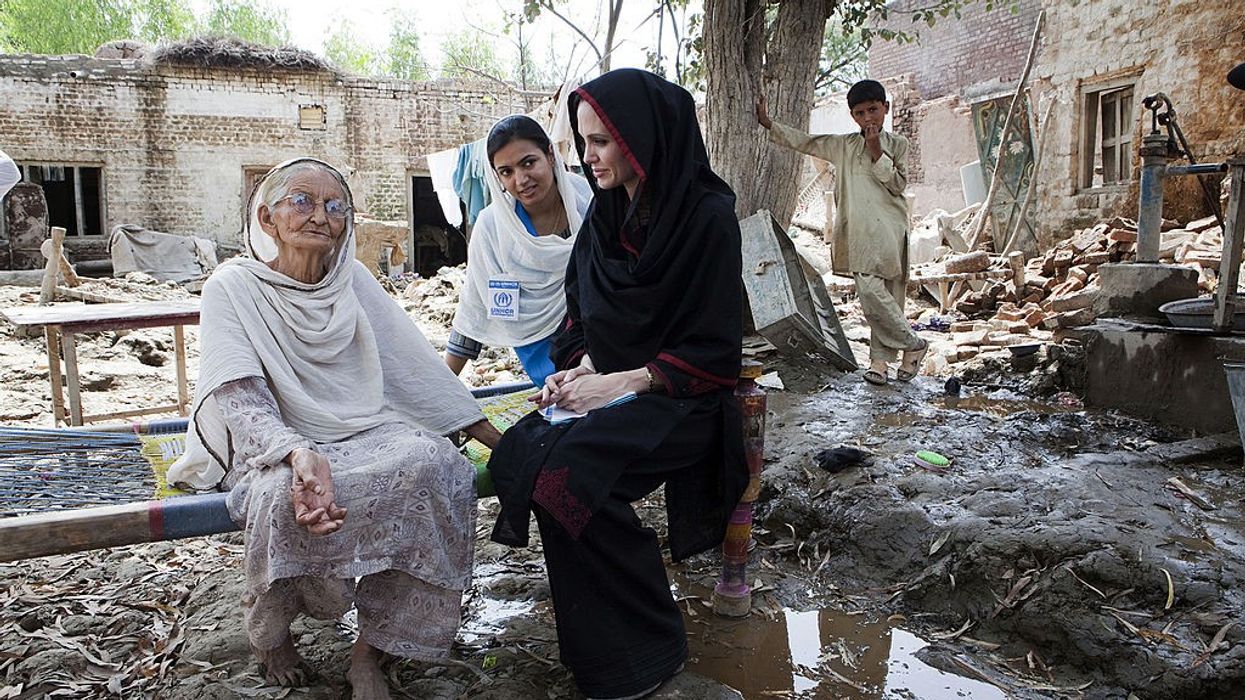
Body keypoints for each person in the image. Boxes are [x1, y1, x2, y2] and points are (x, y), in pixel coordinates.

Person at [167, 158, 502, 700]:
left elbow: (412, 365)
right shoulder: (232, 287)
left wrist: (492, 439)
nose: (318, 215)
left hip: (364, 429)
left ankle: (370, 651)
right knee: (278, 496)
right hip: (272, 439)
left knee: (435, 464)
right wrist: (295, 452)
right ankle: (273, 640)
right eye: (300, 201)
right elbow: (237, 394)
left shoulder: (354, 281)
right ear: (267, 218)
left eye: (334, 206)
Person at [487, 69, 748, 700]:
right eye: (584, 141)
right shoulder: (605, 220)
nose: (590, 156)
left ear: (646, 138)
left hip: (683, 400)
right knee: (521, 456)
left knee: (569, 480)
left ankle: (650, 647)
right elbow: (579, 319)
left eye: (603, 141)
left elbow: (716, 351)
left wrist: (625, 381)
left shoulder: (709, 219)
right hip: (613, 390)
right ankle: (604, 655)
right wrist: (578, 368)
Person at [756, 79, 927, 386]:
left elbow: (899, 185)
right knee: (871, 293)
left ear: (885, 109)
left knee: (889, 297)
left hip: (890, 229)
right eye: (860, 113)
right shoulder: (844, 145)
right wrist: (770, 124)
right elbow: (807, 142)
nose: (868, 118)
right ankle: (912, 344)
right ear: (853, 117)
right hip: (859, 232)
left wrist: (877, 152)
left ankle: (880, 363)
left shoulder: (898, 144)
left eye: (873, 110)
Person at [446, 115, 593, 386]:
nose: (521, 179)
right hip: (545, 373)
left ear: (549, 154)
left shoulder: (590, 205)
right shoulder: (492, 228)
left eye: (528, 163)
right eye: (507, 171)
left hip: (601, 361)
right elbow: (475, 308)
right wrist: (440, 389)